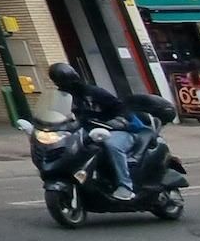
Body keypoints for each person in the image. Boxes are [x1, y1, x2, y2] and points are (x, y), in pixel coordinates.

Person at [47, 61, 139, 202]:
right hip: (87, 133)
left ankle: (125, 187)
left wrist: (117, 121)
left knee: (112, 145)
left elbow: (121, 108)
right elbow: (54, 114)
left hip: (113, 130)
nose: (63, 84)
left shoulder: (93, 92)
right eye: (58, 81)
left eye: (64, 80)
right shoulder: (61, 97)